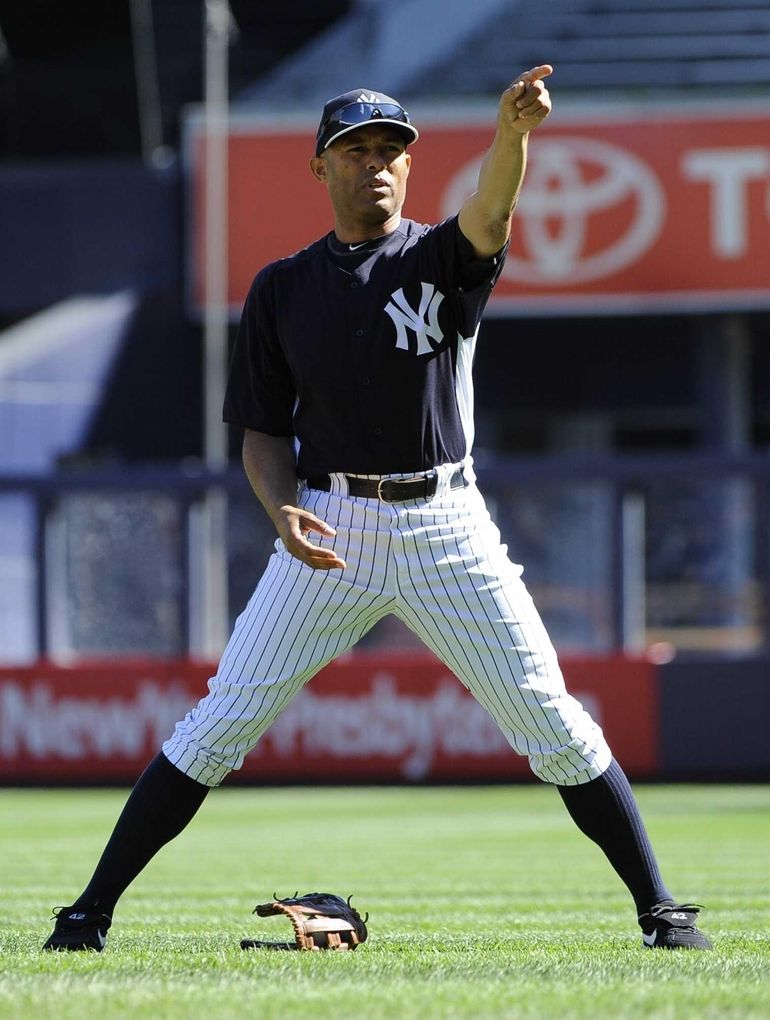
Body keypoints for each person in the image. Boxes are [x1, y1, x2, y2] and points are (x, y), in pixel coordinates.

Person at [43, 68, 712, 953]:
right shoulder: (280, 288)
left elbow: (493, 215)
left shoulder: (441, 257)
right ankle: (86, 914)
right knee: (218, 723)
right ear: (320, 169)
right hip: (331, 526)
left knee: (551, 721)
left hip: (447, 524)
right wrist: (281, 512)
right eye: (356, 151)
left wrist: (512, 138)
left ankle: (661, 913)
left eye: (392, 149)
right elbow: (259, 432)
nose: (377, 165)